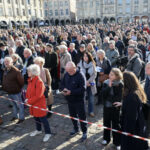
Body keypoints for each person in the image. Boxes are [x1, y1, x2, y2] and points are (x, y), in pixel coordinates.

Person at [118, 71, 148, 150]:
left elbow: (131, 118)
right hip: (137, 128)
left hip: (133, 131)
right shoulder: (134, 92)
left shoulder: (132, 97)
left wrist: (125, 131)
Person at [61, 61, 87, 142]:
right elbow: (62, 84)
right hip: (70, 100)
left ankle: (84, 131)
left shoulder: (80, 75)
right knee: (72, 115)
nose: (70, 73)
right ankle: (76, 128)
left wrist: (71, 92)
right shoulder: (66, 74)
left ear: (75, 68)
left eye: (71, 71)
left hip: (79, 100)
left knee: (82, 117)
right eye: (68, 71)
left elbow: (83, 89)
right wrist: (63, 89)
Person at [26, 64, 51, 142]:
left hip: (39, 104)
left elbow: (38, 96)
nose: (27, 72)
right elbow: (29, 91)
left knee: (43, 119)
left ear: (33, 72)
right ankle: (38, 130)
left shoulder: (39, 81)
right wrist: (27, 98)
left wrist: (28, 101)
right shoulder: (31, 80)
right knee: (36, 117)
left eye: (29, 71)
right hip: (33, 104)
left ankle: (48, 133)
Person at [101, 68, 123, 150]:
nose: (110, 76)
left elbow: (118, 97)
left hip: (115, 108)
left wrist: (109, 98)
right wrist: (109, 87)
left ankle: (117, 142)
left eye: (112, 75)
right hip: (106, 107)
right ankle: (106, 139)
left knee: (116, 125)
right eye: (110, 74)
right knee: (106, 123)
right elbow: (103, 94)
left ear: (117, 76)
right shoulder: (106, 83)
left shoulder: (120, 84)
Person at [2, 57, 24, 124]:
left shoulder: (16, 71)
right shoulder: (5, 69)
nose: (6, 63)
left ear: (12, 62)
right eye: (5, 61)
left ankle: (21, 118)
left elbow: (21, 82)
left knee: (20, 106)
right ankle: (15, 116)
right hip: (9, 91)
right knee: (14, 105)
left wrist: (17, 88)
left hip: (16, 92)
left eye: (8, 61)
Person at [78, 52, 97, 117]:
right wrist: (84, 82)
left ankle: (91, 111)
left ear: (89, 57)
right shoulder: (80, 64)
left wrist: (88, 82)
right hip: (82, 84)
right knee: (82, 99)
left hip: (90, 84)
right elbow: (78, 73)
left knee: (91, 99)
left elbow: (94, 74)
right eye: (84, 56)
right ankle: (82, 111)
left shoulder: (93, 64)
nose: (85, 57)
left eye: (86, 56)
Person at [144, 62, 150, 138]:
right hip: (146, 103)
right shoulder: (147, 77)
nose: (145, 69)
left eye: (148, 68)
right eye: (146, 67)